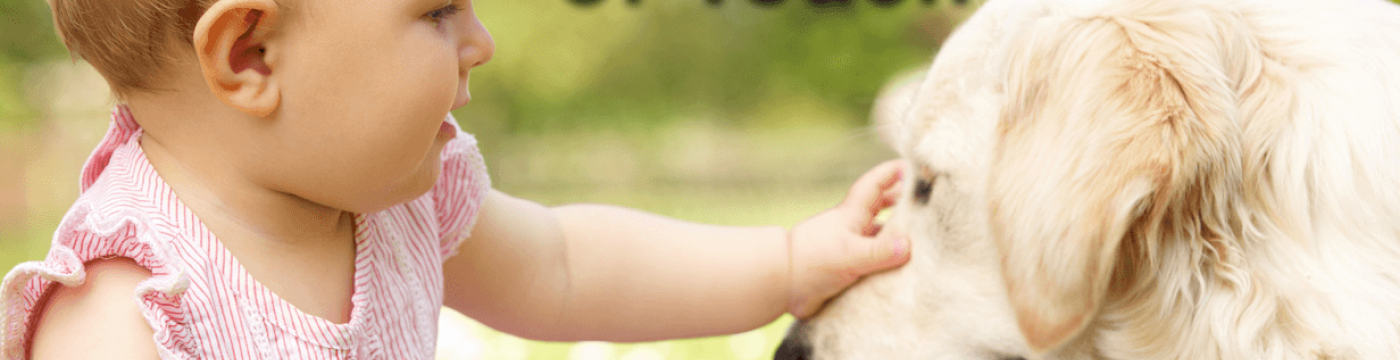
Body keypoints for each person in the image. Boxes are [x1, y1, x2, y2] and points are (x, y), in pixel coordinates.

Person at [0, 0, 911, 358]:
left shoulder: (400, 204)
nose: (482, 42)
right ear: (251, 53)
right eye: (438, 11)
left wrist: (788, 261)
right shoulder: (129, 312)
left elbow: (565, 267)